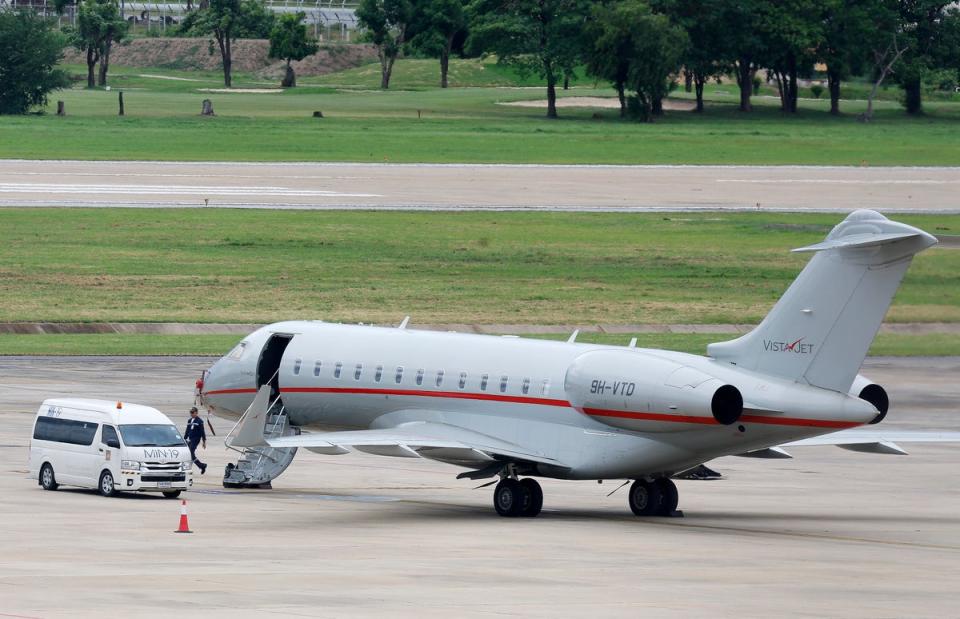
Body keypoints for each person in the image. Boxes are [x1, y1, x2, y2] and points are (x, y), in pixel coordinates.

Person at [184, 406, 207, 474]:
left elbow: (202, 432)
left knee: (191, 452)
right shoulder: (189, 420)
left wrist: (204, 441)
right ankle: (202, 466)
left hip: (195, 439)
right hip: (189, 439)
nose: (191, 414)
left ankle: (201, 466)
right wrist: (184, 439)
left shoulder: (199, 421)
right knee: (189, 454)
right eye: (190, 412)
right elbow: (187, 431)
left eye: (192, 412)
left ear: (196, 413)